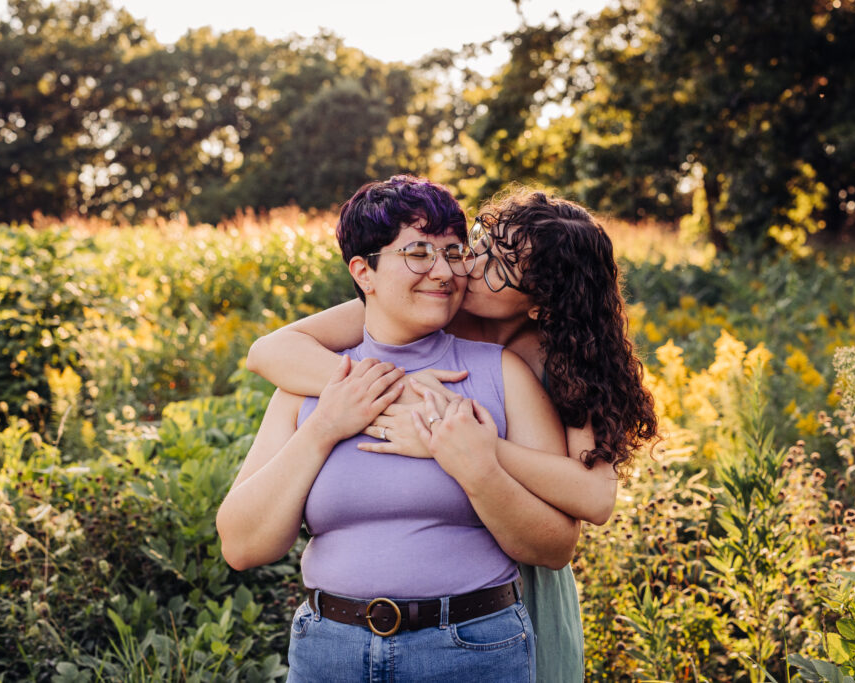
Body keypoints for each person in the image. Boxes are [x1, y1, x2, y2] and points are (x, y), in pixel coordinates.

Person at [247, 187, 659, 682]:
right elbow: (269, 351)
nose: (465, 267)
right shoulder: (429, 307)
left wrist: (470, 446)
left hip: (508, 578)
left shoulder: (561, 358)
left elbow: (593, 496)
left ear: (540, 301)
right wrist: (397, 391)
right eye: (482, 247)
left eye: (499, 268)